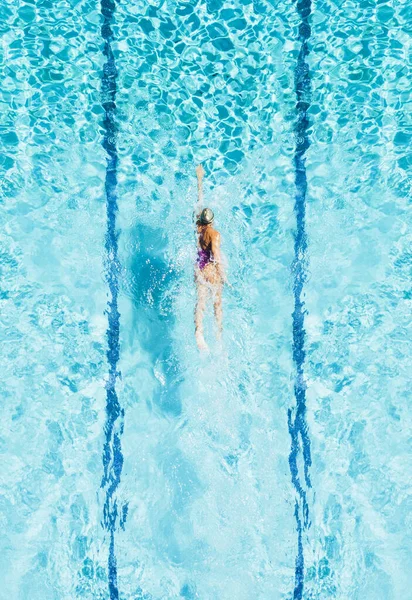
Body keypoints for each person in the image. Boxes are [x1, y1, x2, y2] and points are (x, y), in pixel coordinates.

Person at [194, 165, 225, 350]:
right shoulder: (214, 234)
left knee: (200, 301)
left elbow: (199, 201)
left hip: (198, 265)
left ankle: (199, 333)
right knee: (217, 302)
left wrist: (200, 180)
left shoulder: (197, 226)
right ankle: (219, 337)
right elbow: (217, 257)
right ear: (211, 221)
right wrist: (224, 276)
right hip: (210, 269)